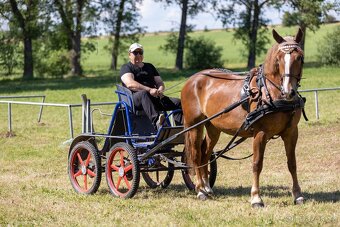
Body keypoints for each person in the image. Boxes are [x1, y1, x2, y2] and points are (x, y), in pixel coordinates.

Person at [120, 43, 182, 129]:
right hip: (134, 100)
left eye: (140, 52)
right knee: (143, 94)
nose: (138, 55)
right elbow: (130, 84)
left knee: (178, 103)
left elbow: (159, 82)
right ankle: (158, 123)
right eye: (135, 53)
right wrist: (149, 90)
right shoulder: (126, 67)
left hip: (154, 97)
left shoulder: (149, 66)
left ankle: (181, 129)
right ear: (129, 54)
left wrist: (160, 89)